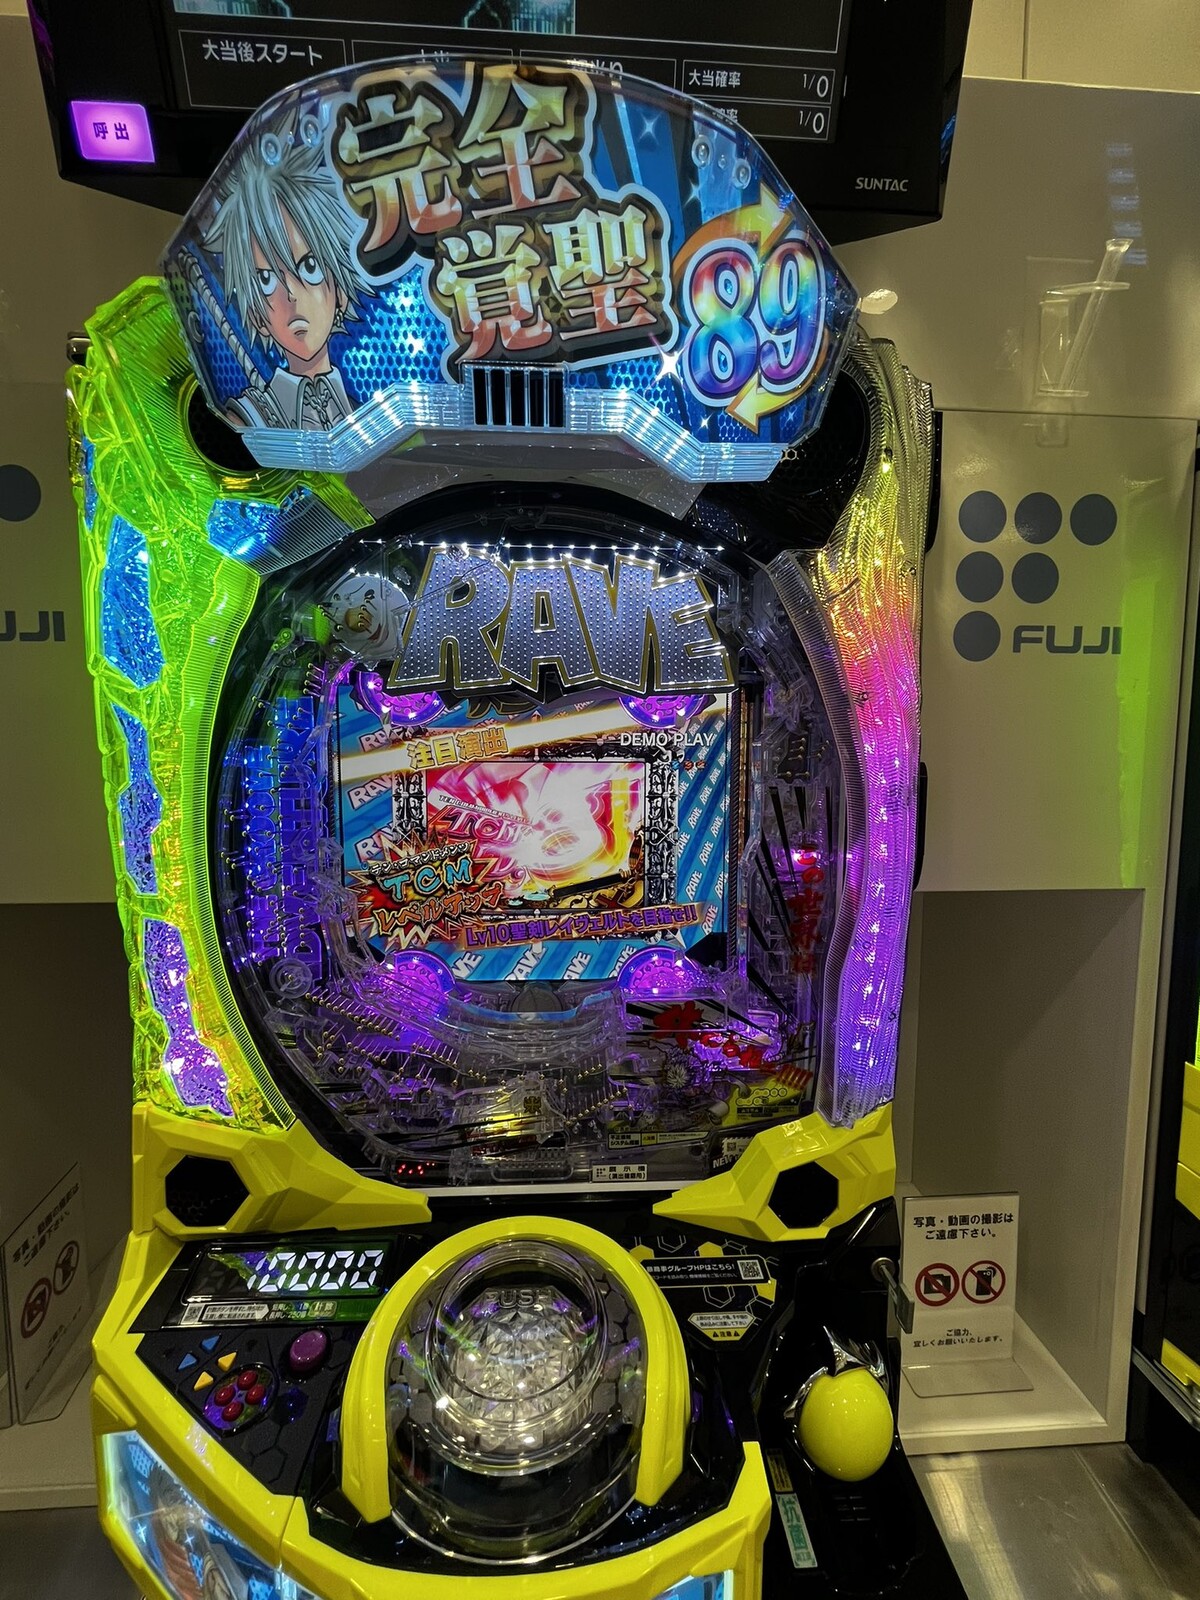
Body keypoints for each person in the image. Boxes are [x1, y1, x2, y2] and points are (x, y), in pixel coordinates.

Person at [203, 119, 368, 430]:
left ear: (340, 293)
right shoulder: (249, 416)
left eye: (309, 267)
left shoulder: (365, 415)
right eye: (266, 281)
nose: (290, 296)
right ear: (256, 316)